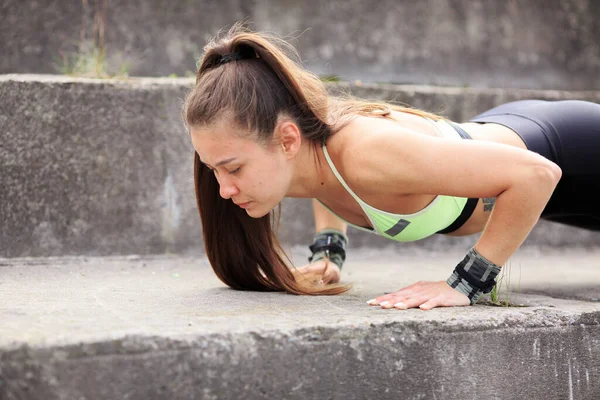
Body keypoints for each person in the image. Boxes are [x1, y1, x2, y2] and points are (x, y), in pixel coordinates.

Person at [182, 21, 600, 310]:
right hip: (518, 138)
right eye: (214, 169)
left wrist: (467, 284)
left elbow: (536, 174)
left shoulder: (369, 153)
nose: (223, 189)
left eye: (232, 169)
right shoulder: (297, 159)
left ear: (288, 139)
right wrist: (330, 249)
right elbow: (323, 177)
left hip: (572, 147)